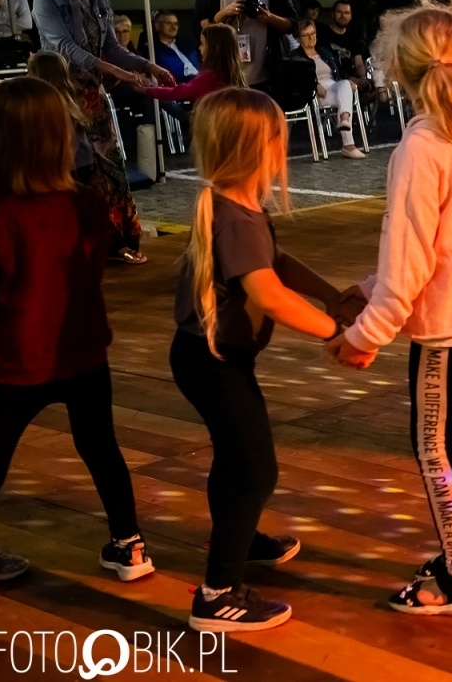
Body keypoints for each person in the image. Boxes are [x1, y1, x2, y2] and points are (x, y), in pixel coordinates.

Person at [328, 8, 452, 617]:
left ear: (397, 69)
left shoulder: (422, 144)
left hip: (450, 323)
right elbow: (445, 241)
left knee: (432, 445)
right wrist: (370, 286)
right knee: (451, 429)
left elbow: (413, 260)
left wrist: (366, 333)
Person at [171, 88, 356, 632]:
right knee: (255, 469)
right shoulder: (235, 217)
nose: (286, 142)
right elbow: (267, 293)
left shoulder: (240, 204)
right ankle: (218, 594)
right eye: (279, 135)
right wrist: (335, 333)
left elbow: (277, 264)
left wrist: (330, 295)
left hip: (213, 358)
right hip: (214, 363)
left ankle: (240, 539)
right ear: (257, 148)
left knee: (236, 460)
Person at [0, 78, 154, 586]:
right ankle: (129, 545)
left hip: (13, 362)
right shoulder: (84, 202)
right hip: (83, 353)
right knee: (102, 448)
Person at [32, 0, 175, 264]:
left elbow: (111, 45)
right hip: (61, 93)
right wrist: (118, 73)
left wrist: (146, 65)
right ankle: (71, 243)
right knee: (71, 168)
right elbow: (64, 47)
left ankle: (117, 241)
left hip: (93, 96)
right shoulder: (46, 0)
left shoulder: (100, 0)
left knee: (110, 168)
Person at [294, 19, 365, 158]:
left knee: (345, 84)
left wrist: (350, 81)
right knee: (344, 98)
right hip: (318, 93)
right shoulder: (295, 56)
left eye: (313, 33)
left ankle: (344, 119)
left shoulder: (324, 51)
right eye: (306, 35)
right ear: (298, 39)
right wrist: (314, 85)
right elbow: (297, 79)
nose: (311, 37)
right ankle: (348, 145)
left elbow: (339, 71)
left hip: (335, 85)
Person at [137, 24, 246, 105]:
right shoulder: (236, 76)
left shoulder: (209, 77)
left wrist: (146, 89)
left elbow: (179, 92)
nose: (199, 48)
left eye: (203, 44)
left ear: (215, 49)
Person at [317, 0, 368, 82]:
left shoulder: (354, 36)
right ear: (332, 14)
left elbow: (358, 63)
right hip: (331, 79)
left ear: (351, 16)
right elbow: (327, 65)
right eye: (339, 12)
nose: (343, 15)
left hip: (353, 80)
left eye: (346, 13)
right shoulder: (322, 34)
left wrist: (362, 78)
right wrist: (350, 80)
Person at [151, 10, 201, 84]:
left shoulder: (188, 46)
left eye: (176, 24)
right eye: (168, 23)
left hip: (200, 83)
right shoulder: (154, 51)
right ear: (157, 26)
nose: (173, 27)